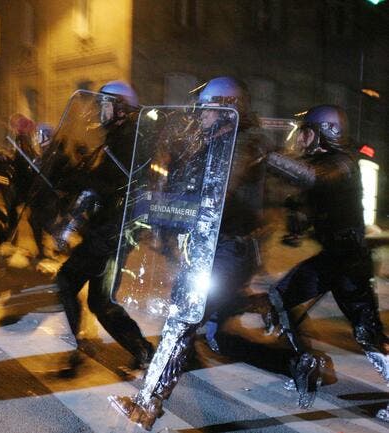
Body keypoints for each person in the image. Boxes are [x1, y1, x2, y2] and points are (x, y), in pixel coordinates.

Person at [109, 77, 270, 430]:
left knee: (182, 322)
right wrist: (156, 198)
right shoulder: (213, 143)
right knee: (202, 328)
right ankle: (262, 311)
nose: (201, 117)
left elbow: (213, 198)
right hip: (210, 247)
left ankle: (147, 404)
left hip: (227, 249)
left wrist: (165, 206)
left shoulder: (240, 145)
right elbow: (185, 187)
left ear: (228, 109)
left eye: (208, 110)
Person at [265, 104, 389, 420]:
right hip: (331, 259)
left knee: (367, 333)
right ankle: (305, 362)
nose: (302, 137)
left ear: (324, 133)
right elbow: (312, 199)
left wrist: (267, 154)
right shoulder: (320, 162)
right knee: (279, 298)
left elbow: (312, 178)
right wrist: (299, 222)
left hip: (350, 263)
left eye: (307, 131)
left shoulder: (343, 163)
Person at [55, 81, 154, 375]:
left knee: (68, 280)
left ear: (121, 108)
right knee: (100, 300)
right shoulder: (117, 138)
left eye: (106, 105)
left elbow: (113, 183)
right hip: (108, 230)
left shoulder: (130, 140)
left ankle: (85, 341)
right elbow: (100, 181)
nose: (100, 111)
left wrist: (78, 178)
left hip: (113, 233)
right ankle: (142, 350)